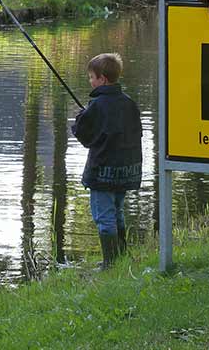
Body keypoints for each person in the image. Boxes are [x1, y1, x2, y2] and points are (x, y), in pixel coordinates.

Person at [72, 53, 143, 268]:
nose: (90, 82)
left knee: (104, 218)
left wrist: (80, 119)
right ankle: (120, 256)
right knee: (117, 212)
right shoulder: (129, 103)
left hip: (103, 172)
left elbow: (84, 135)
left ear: (102, 79)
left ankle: (110, 263)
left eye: (92, 77)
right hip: (126, 171)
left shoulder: (97, 105)